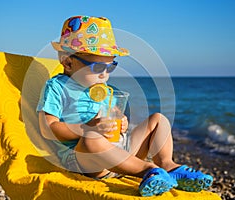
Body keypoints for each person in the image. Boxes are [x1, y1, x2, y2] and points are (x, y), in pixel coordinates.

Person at [37, 15, 213, 197]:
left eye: (110, 67)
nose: (104, 74)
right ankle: (147, 170)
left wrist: (122, 123)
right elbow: (47, 127)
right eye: (97, 67)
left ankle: (167, 165)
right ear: (68, 62)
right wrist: (87, 128)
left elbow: (113, 119)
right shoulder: (57, 87)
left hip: (119, 154)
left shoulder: (107, 91)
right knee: (91, 138)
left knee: (158, 120)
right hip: (84, 159)